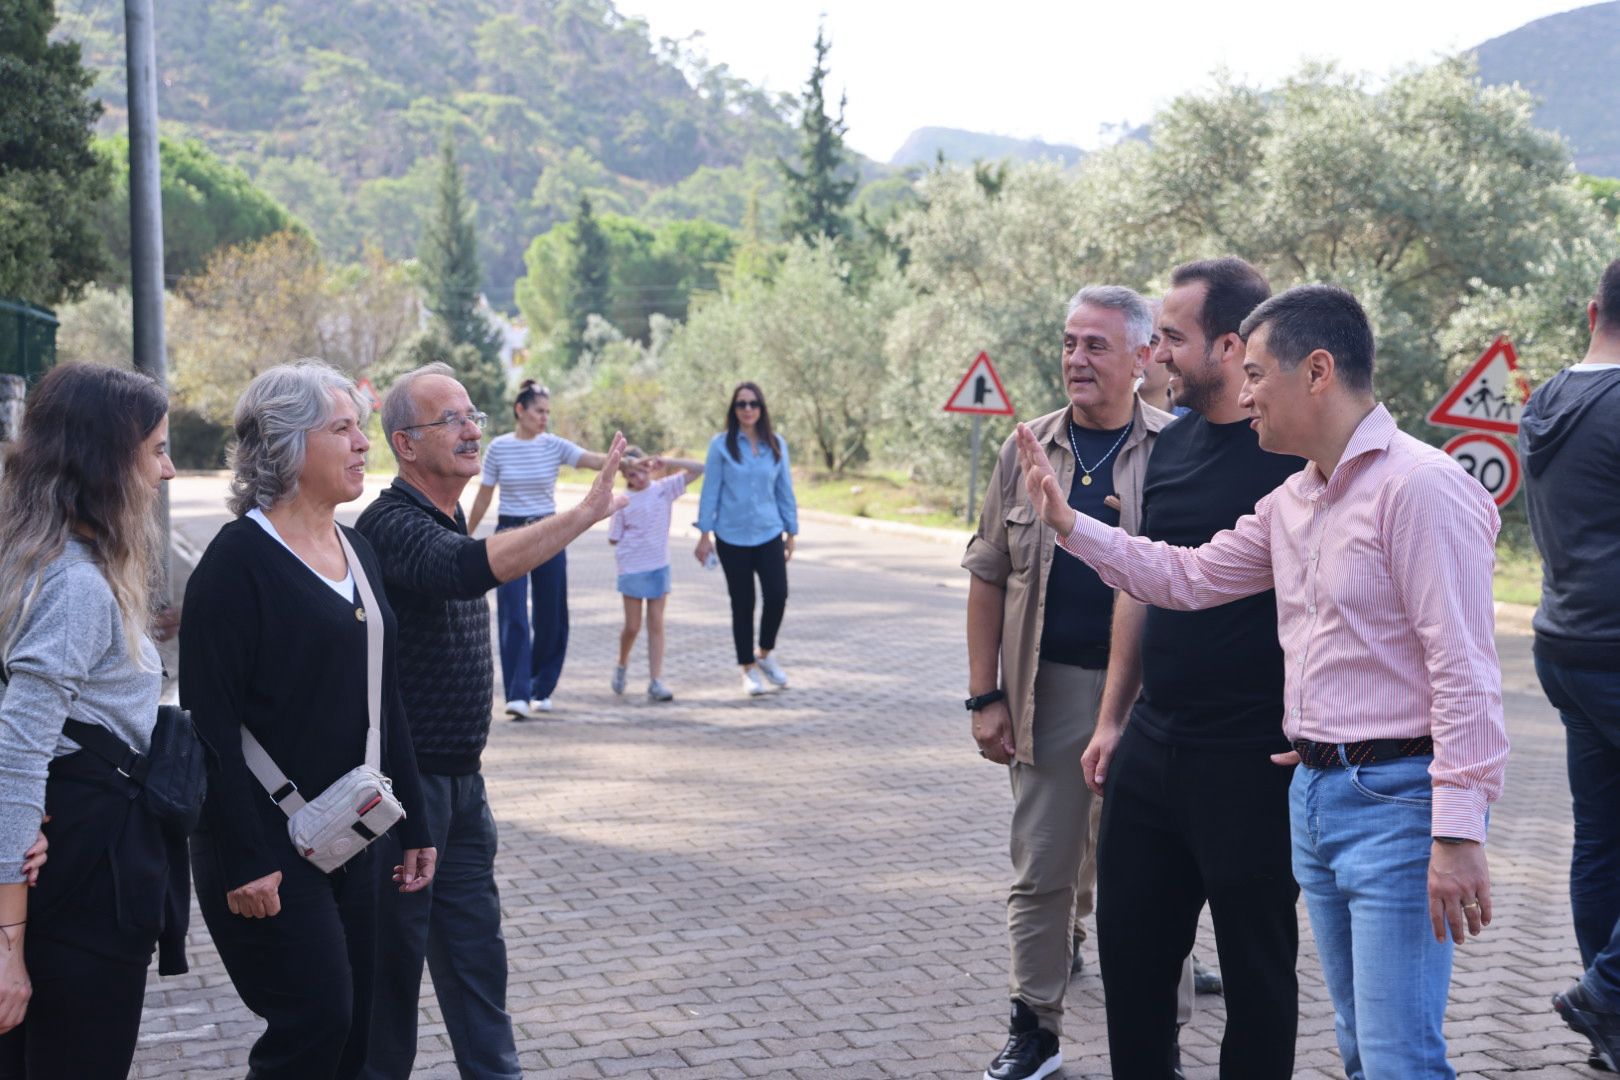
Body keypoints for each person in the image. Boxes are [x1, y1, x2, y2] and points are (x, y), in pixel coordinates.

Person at [1017, 284, 1508, 1080]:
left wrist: (1457, 835)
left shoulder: (1420, 487)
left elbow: (1465, 673)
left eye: (1256, 375)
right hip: (1317, 797)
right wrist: (1072, 527)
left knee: (1397, 1058)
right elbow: (1186, 577)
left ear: (1317, 371)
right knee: (1360, 1048)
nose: (1243, 394)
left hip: (1396, 806)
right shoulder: (1297, 497)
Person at [354, 363, 627, 1080]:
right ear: (406, 444)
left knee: (479, 967)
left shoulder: (443, 514)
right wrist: (580, 514)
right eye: (452, 419)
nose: (473, 428)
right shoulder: (390, 523)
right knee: (390, 986)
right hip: (404, 795)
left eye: (473, 414)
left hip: (463, 788)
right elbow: (467, 569)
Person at [181, 361, 436, 1080]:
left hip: (358, 829)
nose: (364, 443)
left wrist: (414, 824)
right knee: (316, 1022)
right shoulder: (234, 565)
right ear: (287, 447)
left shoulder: (357, 549)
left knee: (364, 1033)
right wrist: (242, 857)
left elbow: (386, 698)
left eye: (362, 427)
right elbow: (209, 725)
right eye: (343, 428)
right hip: (266, 847)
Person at [1082, 258, 1302, 1079]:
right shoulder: (1165, 452)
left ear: (1230, 345)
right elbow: (1145, 582)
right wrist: (1113, 718)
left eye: (1171, 337)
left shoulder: (1292, 456)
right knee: (1132, 969)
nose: (1157, 355)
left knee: (1258, 982)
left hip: (1254, 763)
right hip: (1153, 750)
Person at [964, 286, 1172, 1080]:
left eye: (1096, 346)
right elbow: (986, 575)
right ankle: (1034, 1030)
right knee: (1042, 872)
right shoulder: (1027, 450)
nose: (1076, 360)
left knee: (1151, 880)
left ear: (1143, 357)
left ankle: (1156, 1046)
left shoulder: (1175, 451)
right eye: (1069, 343)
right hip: (1045, 694)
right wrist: (986, 696)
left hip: (1152, 704)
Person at [0, 364, 174, 1078]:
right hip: (78, 884)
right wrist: (7, 943)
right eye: (156, 450)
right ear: (109, 461)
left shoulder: (46, 563)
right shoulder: (72, 584)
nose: (167, 470)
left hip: (75, 864)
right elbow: (18, 751)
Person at [1523, 259, 1620, 1071]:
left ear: (1594, 311)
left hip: (1564, 643)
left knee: (1603, 839)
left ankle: (1609, 1024)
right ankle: (1607, 994)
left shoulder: (1548, 399)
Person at [467, 380, 613, 719]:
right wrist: (465, 534)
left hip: (549, 531)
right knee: (513, 612)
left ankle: (541, 686)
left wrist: (624, 458)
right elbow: (485, 496)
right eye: (539, 411)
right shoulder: (499, 448)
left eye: (548, 412)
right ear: (520, 410)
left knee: (551, 613)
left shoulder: (554, 445)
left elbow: (591, 459)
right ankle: (517, 694)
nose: (544, 417)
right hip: (510, 531)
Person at [693, 382, 799, 698]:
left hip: (769, 532)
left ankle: (764, 654)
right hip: (732, 537)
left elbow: (785, 490)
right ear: (734, 410)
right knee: (743, 604)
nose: (748, 409)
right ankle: (747, 669)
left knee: (777, 595)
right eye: (742, 404)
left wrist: (791, 532)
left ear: (762, 409)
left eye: (754, 404)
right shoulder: (721, 445)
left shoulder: (776, 444)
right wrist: (704, 533)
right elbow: (711, 490)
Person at [609, 447, 704, 702]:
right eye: (631, 474)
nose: (638, 477)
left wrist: (667, 461)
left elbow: (700, 468)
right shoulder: (622, 501)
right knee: (632, 626)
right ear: (625, 477)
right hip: (631, 568)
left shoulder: (663, 488)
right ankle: (622, 663)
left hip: (658, 565)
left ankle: (655, 681)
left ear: (649, 467)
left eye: (641, 470)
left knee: (656, 623)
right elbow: (613, 538)